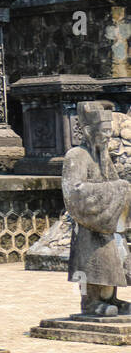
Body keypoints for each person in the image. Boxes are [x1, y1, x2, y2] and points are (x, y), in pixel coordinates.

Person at [63, 102, 131, 316]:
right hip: (88, 225)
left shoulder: (103, 157)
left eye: (110, 132)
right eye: (103, 132)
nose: (107, 138)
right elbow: (74, 191)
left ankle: (111, 298)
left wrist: (120, 190)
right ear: (88, 131)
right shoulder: (76, 156)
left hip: (108, 223)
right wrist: (116, 189)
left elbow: (115, 182)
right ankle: (91, 301)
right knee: (93, 263)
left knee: (115, 260)